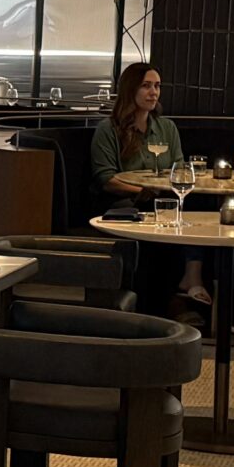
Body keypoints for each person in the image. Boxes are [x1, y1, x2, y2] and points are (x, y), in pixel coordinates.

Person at [91, 63, 211, 307]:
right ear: (130, 90)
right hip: (129, 200)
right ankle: (166, 301)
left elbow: (180, 170)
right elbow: (107, 179)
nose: (153, 92)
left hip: (165, 197)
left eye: (157, 86)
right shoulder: (109, 129)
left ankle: (192, 275)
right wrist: (142, 191)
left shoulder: (167, 128)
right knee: (162, 211)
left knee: (201, 206)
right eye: (146, 86)